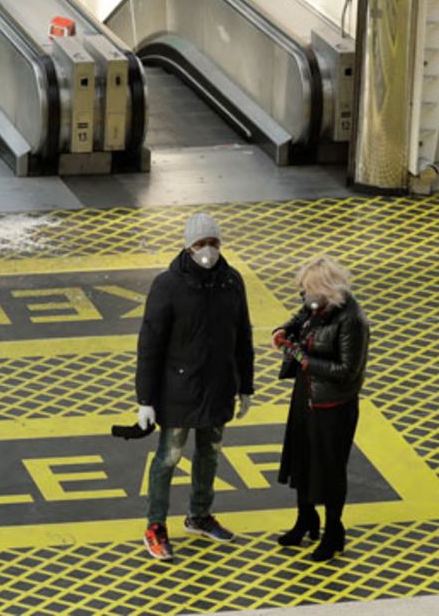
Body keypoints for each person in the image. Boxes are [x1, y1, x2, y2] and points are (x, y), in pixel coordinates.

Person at [136, 212, 254, 561]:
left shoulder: (232, 282)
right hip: (179, 391)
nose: (208, 250)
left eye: (213, 243)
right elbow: (150, 344)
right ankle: (155, 525)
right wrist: (145, 398)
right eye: (201, 244)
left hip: (218, 387)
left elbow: (242, 336)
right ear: (188, 247)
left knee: (210, 454)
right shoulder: (167, 286)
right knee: (169, 457)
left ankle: (199, 515)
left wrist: (245, 385)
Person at [271, 256, 369, 562]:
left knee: (329, 469)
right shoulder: (319, 307)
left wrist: (303, 359)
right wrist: (284, 330)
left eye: (309, 291)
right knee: (301, 457)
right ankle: (305, 519)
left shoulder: (352, 319)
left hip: (333, 405)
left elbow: (347, 369)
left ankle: (333, 531)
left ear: (327, 291)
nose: (305, 297)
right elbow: (301, 315)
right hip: (307, 394)